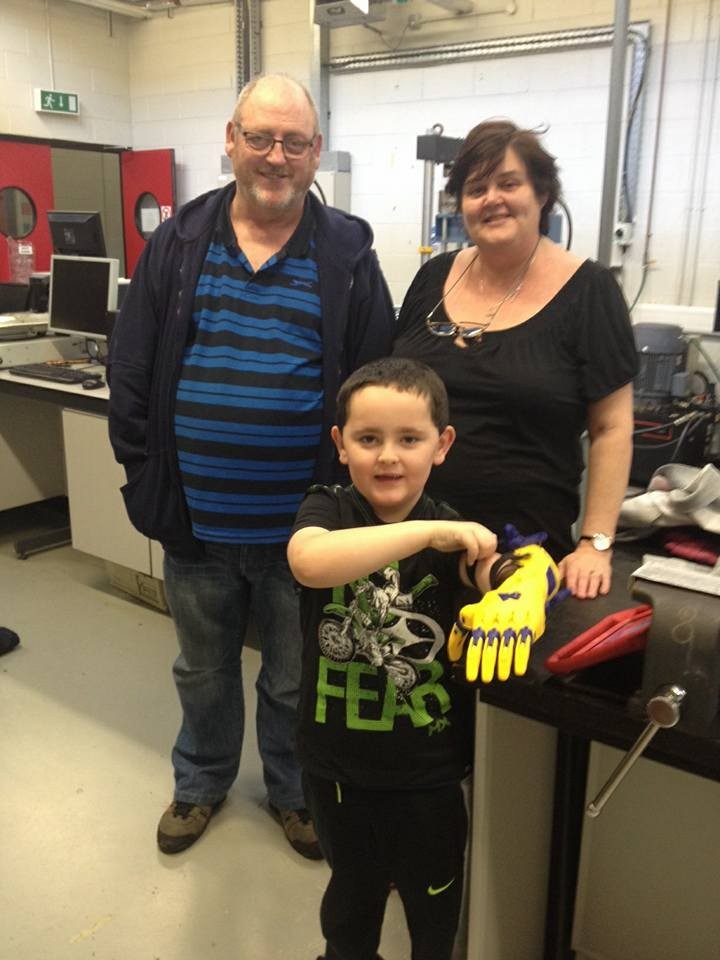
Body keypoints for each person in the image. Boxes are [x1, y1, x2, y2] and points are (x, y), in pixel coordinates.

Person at [107, 73, 395, 859]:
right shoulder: (178, 245)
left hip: (305, 533)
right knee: (201, 669)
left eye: (294, 142)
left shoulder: (347, 256)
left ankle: (294, 792)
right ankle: (201, 781)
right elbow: (130, 368)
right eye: (261, 138)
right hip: (195, 521)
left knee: (294, 678)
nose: (276, 156)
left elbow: (376, 385)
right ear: (231, 141)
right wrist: (142, 474)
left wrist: (351, 505)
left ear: (315, 152)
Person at [287, 357, 558, 960]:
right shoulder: (328, 509)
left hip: (429, 770)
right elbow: (309, 561)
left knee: (434, 904)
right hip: (336, 766)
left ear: (442, 444)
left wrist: (524, 580)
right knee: (351, 901)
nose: (388, 456)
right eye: (368, 439)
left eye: (409, 439)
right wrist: (426, 534)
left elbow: (492, 570)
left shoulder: (453, 530)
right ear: (340, 445)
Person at [393, 120, 638, 600]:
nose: (492, 199)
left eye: (508, 183)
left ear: (542, 193)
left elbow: (612, 427)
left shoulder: (589, 291)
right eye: (476, 189)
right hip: (413, 541)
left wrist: (595, 544)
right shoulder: (433, 277)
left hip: (520, 556)